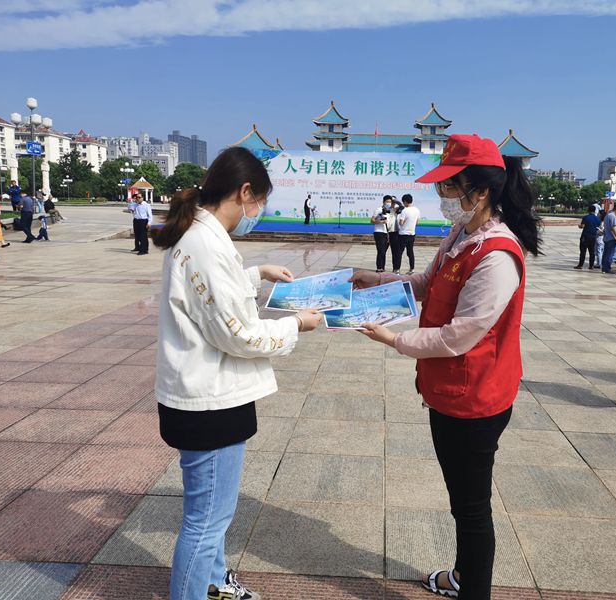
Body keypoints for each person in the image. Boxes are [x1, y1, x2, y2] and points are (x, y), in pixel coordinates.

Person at [351, 134, 541, 600]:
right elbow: (425, 282)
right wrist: (374, 280)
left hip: (476, 399)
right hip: (450, 392)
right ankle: (462, 576)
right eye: (441, 187)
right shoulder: (461, 235)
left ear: (482, 191)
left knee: (472, 509)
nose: (443, 197)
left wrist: (394, 339)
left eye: (451, 187)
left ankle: (472, 589)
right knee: (463, 502)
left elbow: (461, 335)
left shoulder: (497, 254)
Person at [152, 147, 323, 600]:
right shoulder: (205, 244)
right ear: (245, 192)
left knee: (213, 514)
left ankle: (213, 583)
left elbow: (210, 296)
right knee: (206, 521)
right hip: (209, 402)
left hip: (208, 395)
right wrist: (296, 325)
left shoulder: (199, 235)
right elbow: (239, 334)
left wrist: (256, 274)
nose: (259, 211)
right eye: (260, 201)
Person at [396, 194, 420, 274]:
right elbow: (417, 222)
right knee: (410, 252)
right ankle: (412, 269)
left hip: (403, 234)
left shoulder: (405, 211)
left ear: (405, 201)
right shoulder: (417, 210)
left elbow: (401, 222)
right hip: (412, 234)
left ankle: (397, 270)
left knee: (399, 252)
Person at [371, 195, 395, 273]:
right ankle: (379, 268)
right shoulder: (379, 210)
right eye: (387, 202)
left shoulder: (390, 211)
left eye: (390, 202)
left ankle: (382, 267)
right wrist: (381, 222)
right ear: (383, 202)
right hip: (379, 232)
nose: (388, 203)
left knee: (384, 251)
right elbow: (372, 220)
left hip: (387, 233)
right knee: (380, 251)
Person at [575, 204, 601, 270]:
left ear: (588, 210)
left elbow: (582, 226)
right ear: (595, 211)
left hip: (585, 236)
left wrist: (579, 226)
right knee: (592, 252)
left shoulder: (586, 217)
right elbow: (599, 227)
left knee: (583, 251)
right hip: (593, 237)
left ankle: (580, 265)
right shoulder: (598, 219)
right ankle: (591, 266)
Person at [601, 202, 616, 273]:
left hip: (606, 237)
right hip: (611, 238)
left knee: (605, 253)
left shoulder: (607, 215)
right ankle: (607, 268)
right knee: (610, 254)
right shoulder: (613, 216)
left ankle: (604, 267)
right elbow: (613, 227)